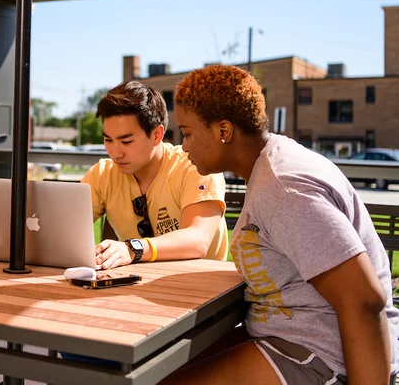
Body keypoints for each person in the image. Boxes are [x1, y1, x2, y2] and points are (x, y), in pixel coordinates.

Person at [162, 65, 398, 384]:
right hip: (287, 339)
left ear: (224, 131)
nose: (184, 146)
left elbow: (363, 299)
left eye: (187, 133)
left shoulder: (286, 190)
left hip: (324, 358)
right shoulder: (268, 170)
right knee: (161, 368)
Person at [82, 80, 228, 270]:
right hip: (132, 287)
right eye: (108, 140)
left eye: (126, 141)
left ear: (157, 134)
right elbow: (63, 228)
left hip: (202, 288)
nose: (115, 153)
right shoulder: (102, 174)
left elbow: (197, 240)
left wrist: (132, 249)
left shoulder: (195, 166)